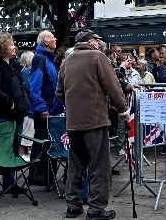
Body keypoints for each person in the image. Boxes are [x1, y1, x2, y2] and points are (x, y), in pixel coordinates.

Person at [57, 30, 129, 220]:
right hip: (95, 121)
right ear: (92, 42)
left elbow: (59, 92)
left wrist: (73, 107)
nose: (99, 43)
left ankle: (73, 206)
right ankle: (96, 209)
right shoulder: (98, 57)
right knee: (100, 166)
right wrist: (123, 110)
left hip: (73, 122)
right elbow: (113, 86)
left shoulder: (67, 61)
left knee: (75, 164)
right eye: (97, 40)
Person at [0, 33, 29, 195]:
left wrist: (24, 103)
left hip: (17, 114)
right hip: (1, 114)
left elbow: (21, 86)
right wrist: (10, 103)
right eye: (11, 45)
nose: (14, 47)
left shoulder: (14, 64)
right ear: (2, 48)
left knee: (13, 150)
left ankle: (9, 183)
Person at [29, 30, 64, 185]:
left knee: (48, 143)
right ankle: (38, 176)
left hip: (51, 109)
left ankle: (47, 176)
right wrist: (41, 106)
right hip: (44, 111)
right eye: (52, 38)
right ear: (45, 42)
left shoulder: (48, 59)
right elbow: (35, 85)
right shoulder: (40, 58)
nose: (55, 39)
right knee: (42, 143)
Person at [18, 51, 35, 161]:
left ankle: (26, 150)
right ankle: (23, 152)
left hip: (30, 104)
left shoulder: (27, 71)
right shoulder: (25, 71)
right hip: (28, 104)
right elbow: (29, 87)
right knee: (27, 128)